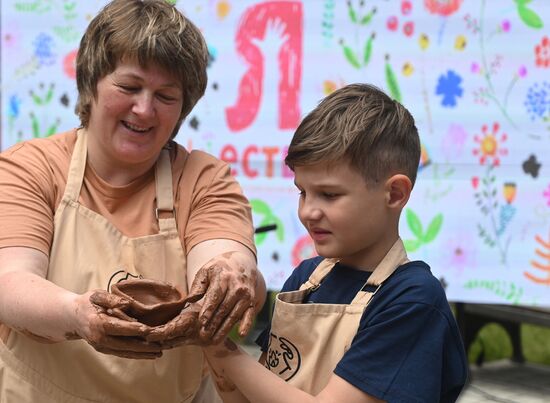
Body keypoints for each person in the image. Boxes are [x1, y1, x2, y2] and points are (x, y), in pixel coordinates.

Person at [0, 0, 265, 402]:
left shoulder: (203, 179)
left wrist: (230, 275)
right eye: (129, 87)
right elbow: (10, 282)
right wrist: (78, 314)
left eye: (166, 95)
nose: (144, 109)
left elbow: (225, 254)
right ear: (90, 83)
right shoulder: (30, 167)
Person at [201, 83, 469, 402]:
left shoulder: (411, 301)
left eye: (329, 195)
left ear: (395, 194)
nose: (308, 212)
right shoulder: (305, 281)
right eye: (303, 192)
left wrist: (222, 352)